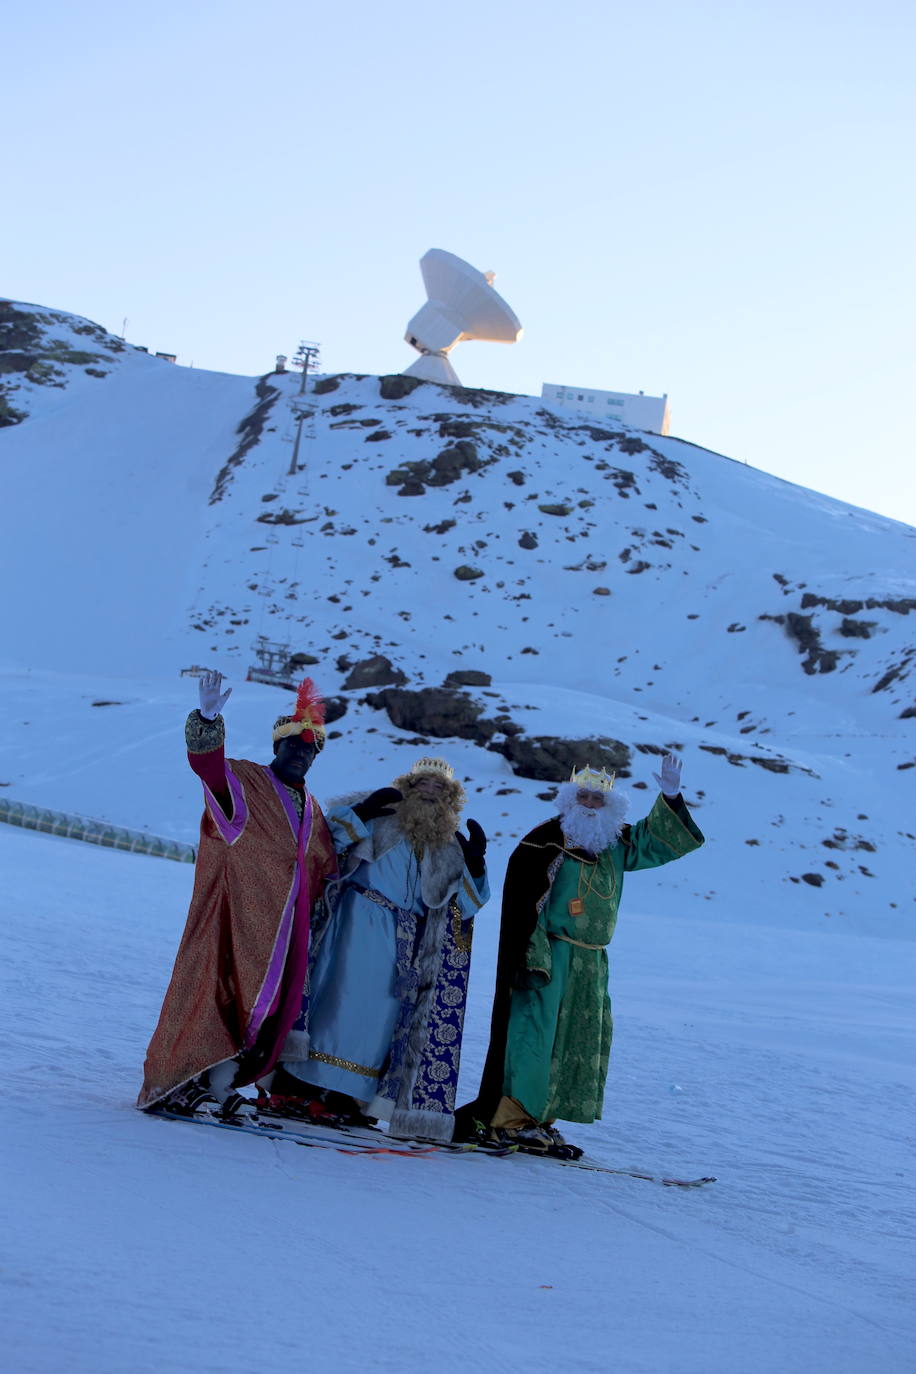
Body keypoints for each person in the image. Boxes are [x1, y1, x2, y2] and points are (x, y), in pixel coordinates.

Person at [454, 753, 704, 1158]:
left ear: (610, 806)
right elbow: (524, 905)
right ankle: (513, 1118)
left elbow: (657, 843)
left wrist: (671, 798)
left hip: (592, 961)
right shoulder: (545, 840)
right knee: (535, 1038)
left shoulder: (615, 843)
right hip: (549, 956)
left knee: (573, 1043)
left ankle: (543, 1119)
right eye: (583, 797)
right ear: (569, 800)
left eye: (597, 799)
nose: (590, 805)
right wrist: (532, 954)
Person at [258, 757, 489, 1143]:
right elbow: (322, 840)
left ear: (451, 799)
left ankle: (347, 1100)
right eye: (422, 786)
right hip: (356, 924)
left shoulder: (449, 845)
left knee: (378, 1021)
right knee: (337, 1006)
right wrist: (360, 813)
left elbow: (466, 904)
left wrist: (477, 864)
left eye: (439, 789)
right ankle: (298, 1088)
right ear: (408, 787)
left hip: (404, 944)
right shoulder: (380, 815)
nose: (429, 795)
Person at [138, 671, 337, 1120]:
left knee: (257, 1013)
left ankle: (222, 1085)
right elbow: (208, 769)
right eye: (293, 746)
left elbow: (325, 864)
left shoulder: (314, 808)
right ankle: (183, 1082)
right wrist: (207, 721)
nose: (301, 755)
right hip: (233, 919)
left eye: (309, 750)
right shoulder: (247, 780)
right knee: (213, 997)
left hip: (279, 935)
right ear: (277, 747)